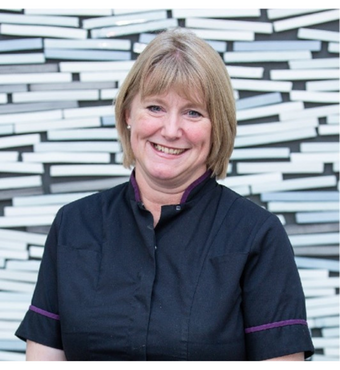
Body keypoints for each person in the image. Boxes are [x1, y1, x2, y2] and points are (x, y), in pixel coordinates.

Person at [15, 28, 314, 361]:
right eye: (155, 107)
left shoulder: (258, 235)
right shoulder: (73, 225)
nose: (171, 130)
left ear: (218, 127)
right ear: (128, 113)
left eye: (193, 112)